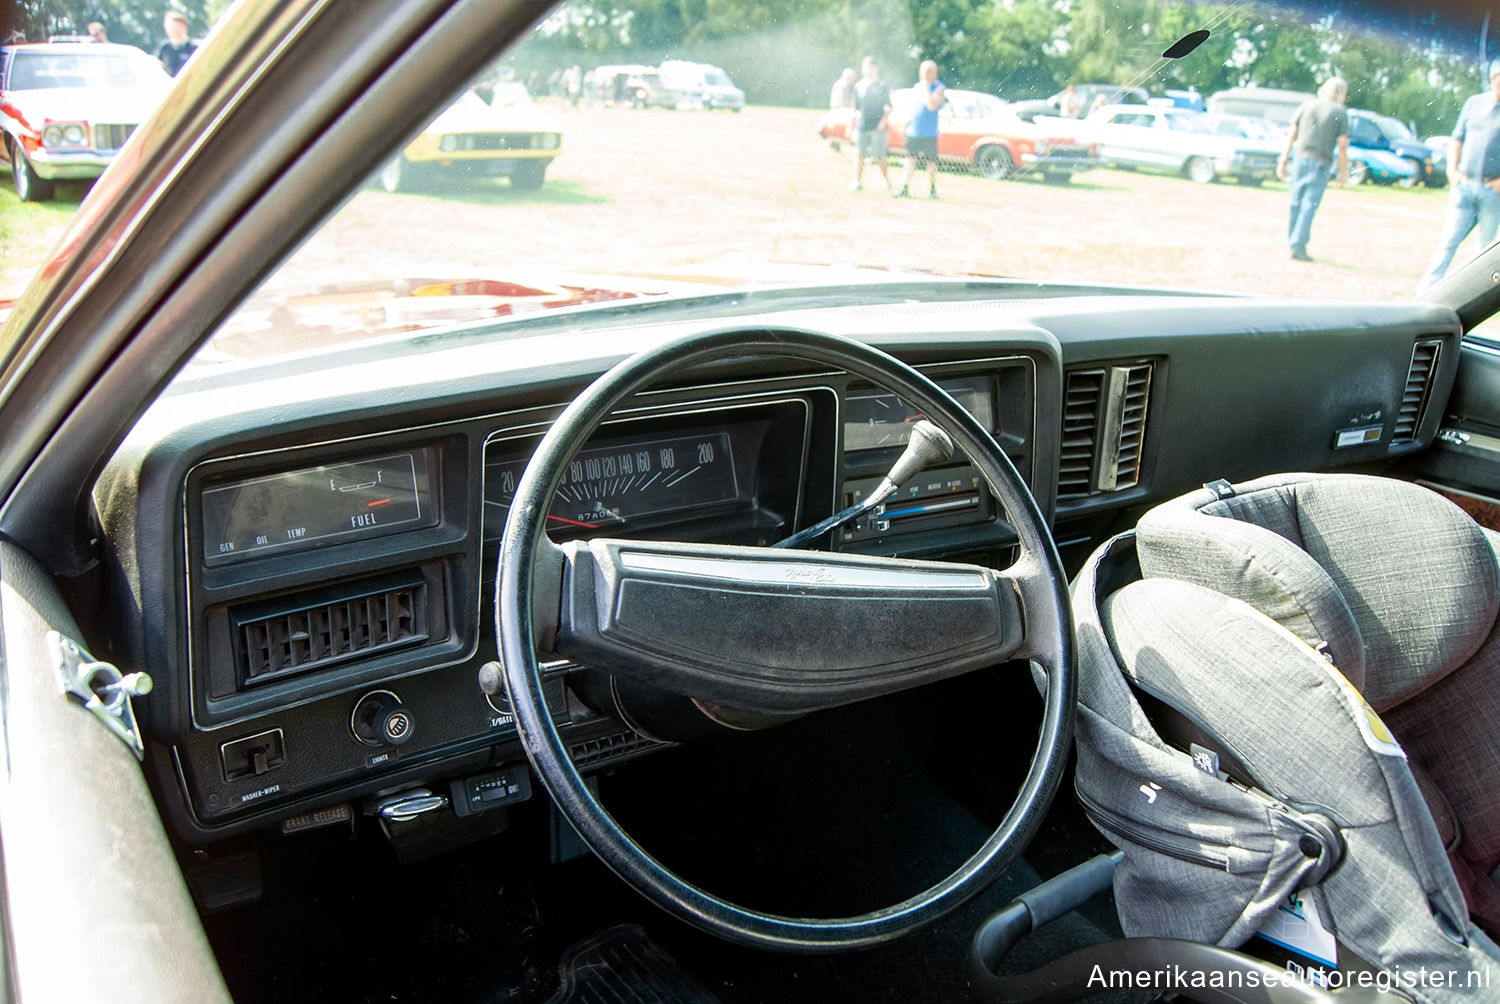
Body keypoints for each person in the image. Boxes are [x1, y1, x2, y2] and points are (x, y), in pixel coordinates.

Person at [1419, 61, 1500, 291]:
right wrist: (1452, 171)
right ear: (1493, 77)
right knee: (1448, 241)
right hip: (1464, 186)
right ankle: (1426, 290)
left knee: (1485, 249)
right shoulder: (1474, 103)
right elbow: (1457, 139)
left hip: (1492, 191)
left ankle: (1478, 294)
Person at [1276, 76, 1348, 262]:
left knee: (1296, 203)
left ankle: (1293, 243)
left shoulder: (1307, 105)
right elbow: (1342, 146)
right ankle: (1297, 247)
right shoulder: (1340, 111)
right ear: (1340, 94)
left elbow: (1292, 136)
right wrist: (1342, 173)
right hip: (1320, 163)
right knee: (1309, 205)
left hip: (1300, 160)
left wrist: (1283, 161)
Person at [897, 59, 946, 199]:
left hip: (930, 133)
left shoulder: (939, 88)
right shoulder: (917, 87)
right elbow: (913, 109)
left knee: (931, 163)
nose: (925, 75)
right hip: (914, 131)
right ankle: (904, 188)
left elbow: (932, 105)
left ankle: (932, 190)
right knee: (910, 160)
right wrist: (905, 126)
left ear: (934, 73)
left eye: (928, 72)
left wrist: (926, 89)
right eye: (923, 72)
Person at [850, 57, 891, 193]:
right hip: (862, 126)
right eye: (866, 67)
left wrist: (883, 122)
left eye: (871, 67)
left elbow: (889, 107)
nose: (868, 70)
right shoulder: (859, 86)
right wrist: (853, 123)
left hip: (877, 127)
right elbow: (854, 107)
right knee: (859, 155)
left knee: (879, 156)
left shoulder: (882, 85)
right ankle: (857, 182)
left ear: (876, 68)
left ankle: (886, 181)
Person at [156, 11, 197, 77]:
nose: (173, 29)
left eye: (175, 26)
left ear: (184, 27)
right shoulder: (164, 48)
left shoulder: (195, 46)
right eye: (169, 27)